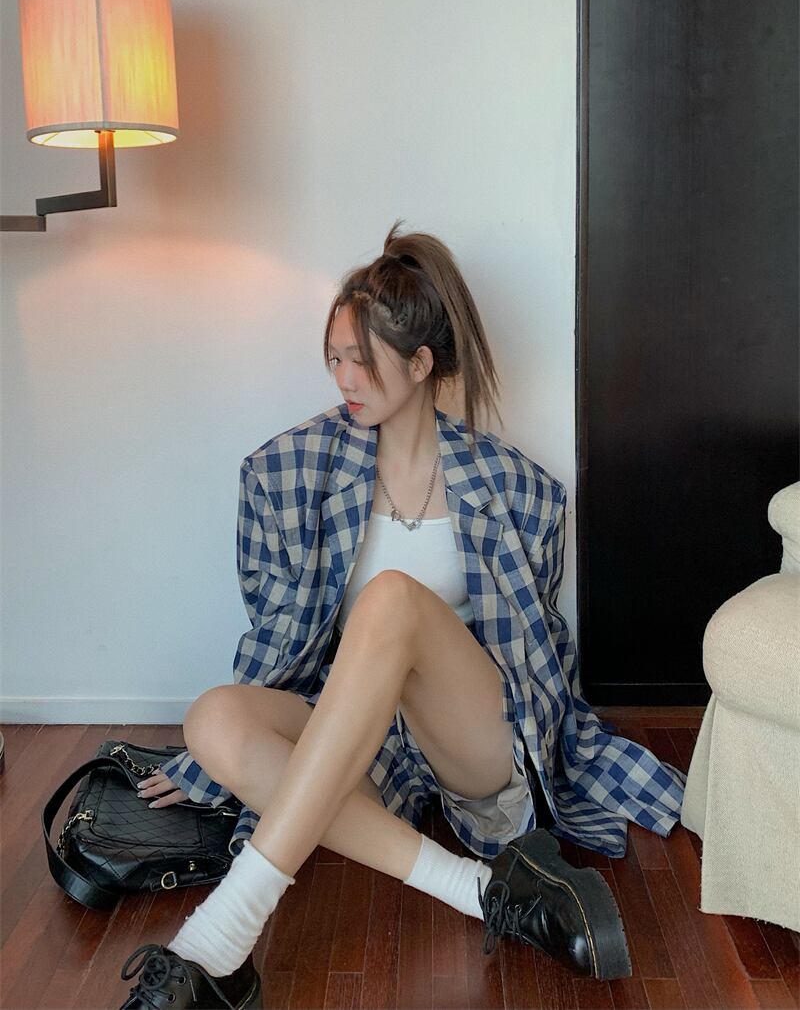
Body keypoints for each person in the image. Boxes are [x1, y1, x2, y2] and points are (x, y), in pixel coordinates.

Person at [118, 222, 685, 1009]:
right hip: (366, 737)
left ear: (421, 364)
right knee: (212, 718)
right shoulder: (288, 472)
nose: (344, 377)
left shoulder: (518, 489)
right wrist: (208, 764)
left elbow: (540, 653)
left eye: (363, 359)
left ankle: (220, 932)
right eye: (335, 357)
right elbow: (276, 638)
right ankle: (477, 888)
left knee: (390, 597)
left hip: (471, 738)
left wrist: (570, 753)